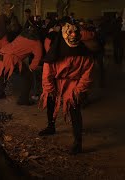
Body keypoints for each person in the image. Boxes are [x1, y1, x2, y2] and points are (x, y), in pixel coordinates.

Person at [38, 19, 95, 155]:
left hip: (74, 84)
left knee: (74, 108)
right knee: (51, 100)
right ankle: (51, 126)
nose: (73, 36)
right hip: (57, 81)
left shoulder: (85, 55)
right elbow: (48, 72)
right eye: (70, 33)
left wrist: (78, 90)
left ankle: (77, 142)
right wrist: (49, 88)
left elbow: (87, 74)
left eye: (75, 33)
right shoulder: (55, 53)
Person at [0, 23, 43, 104]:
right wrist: (31, 68)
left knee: (2, 74)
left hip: (1, 54)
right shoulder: (36, 43)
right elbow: (38, 57)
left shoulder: (21, 36)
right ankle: (23, 100)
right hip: (10, 58)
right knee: (28, 76)